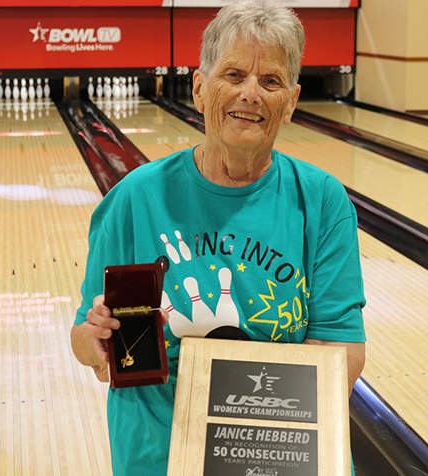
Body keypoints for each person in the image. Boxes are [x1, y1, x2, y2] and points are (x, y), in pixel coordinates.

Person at [71, 1, 366, 474]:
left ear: (290, 102)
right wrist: (94, 342)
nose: (251, 93)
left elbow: (340, 352)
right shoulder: (134, 200)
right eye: (233, 75)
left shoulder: (322, 201)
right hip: (159, 457)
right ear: (200, 89)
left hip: (279, 456)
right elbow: (90, 339)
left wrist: (244, 424)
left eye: (270, 81)